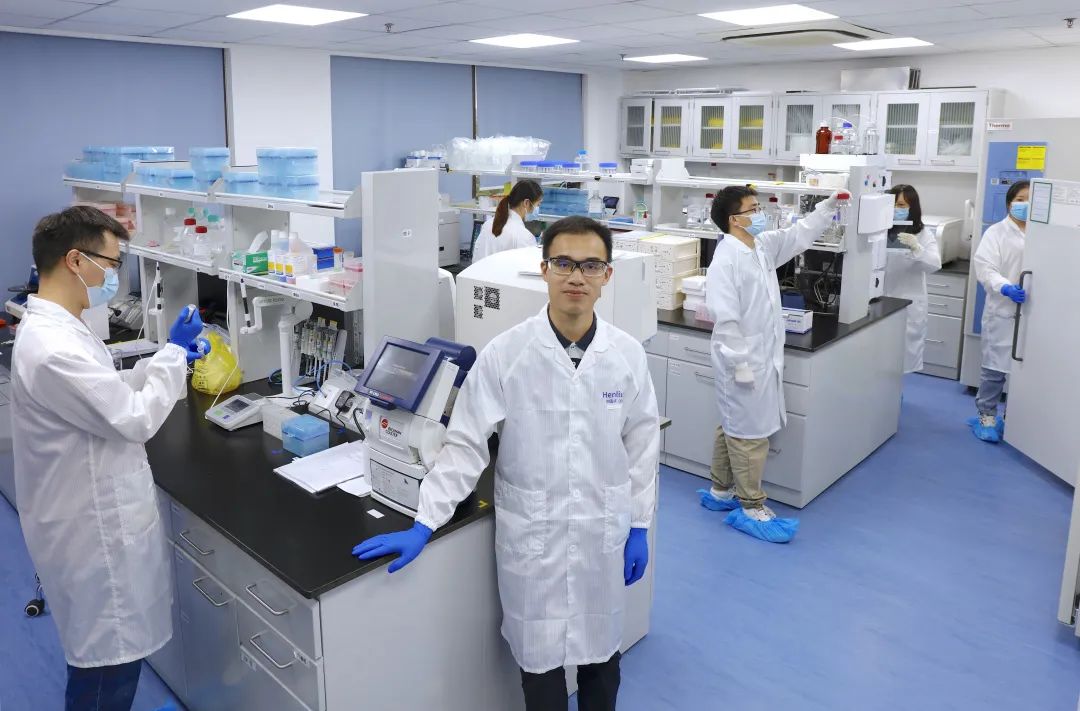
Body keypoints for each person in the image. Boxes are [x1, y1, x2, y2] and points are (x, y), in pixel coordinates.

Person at [353, 215, 659, 711]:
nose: (576, 276)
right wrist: (425, 521)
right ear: (544, 269)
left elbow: (642, 446)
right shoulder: (506, 354)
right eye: (564, 263)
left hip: (600, 535)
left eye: (590, 265)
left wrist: (640, 525)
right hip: (534, 541)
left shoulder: (626, 356)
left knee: (602, 663)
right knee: (539, 671)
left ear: (607, 275)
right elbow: (465, 445)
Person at [12, 206, 210, 711]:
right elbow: (134, 418)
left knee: (109, 663)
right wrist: (172, 356)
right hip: (90, 536)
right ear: (75, 261)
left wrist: (163, 359)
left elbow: (103, 390)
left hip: (83, 517)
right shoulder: (53, 347)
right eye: (112, 262)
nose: (115, 276)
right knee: (106, 673)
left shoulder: (61, 328)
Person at [697, 187, 839, 543]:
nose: (760, 213)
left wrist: (827, 208)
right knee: (750, 436)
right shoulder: (726, 259)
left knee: (733, 424)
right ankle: (751, 507)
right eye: (753, 209)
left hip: (762, 355)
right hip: (741, 361)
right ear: (735, 219)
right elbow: (725, 318)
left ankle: (720, 491)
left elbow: (798, 235)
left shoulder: (760, 246)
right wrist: (740, 364)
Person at [970, 180, 1030, 443]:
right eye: (1020, 199)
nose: (1025, 204)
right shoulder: (996, 233)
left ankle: (1012, 418)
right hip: (1003, 310)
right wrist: (1005, 287)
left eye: (1030, 199)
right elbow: (985, 268)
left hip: (1033, 313)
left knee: (1025, 372)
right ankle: (986, 415)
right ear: (1009, 203)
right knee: (994, 371)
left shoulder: (1043, 233)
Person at [883, 184, 942, 373]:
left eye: (902, 205)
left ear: (912, 207)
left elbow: (935, 264)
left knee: (901, 359)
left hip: (907, 303)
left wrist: (917, 248)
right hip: (880, 301)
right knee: (879, 358)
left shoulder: (922, 234)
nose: (896, 209)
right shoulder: (879, 230)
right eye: (893, 204)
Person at [473, 179, 543, 260]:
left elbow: (476, 259)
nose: (538, 209)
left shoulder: (488, 224)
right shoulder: (524, 236)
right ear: (526, 203)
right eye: (538, 205)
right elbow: (531, 265)